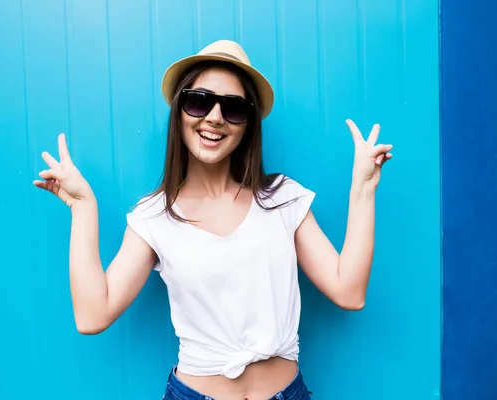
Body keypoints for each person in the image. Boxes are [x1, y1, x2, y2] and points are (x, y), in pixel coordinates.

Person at [33, 40, 393, 400]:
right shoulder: (155, 215)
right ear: (180, 111)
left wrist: (363, 189)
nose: (215, 117)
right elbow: (92, 316)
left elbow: (349, 291)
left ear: (249, 124)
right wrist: (83, 207)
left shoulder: (283, 198)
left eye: (234, 107)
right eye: (199, 100)